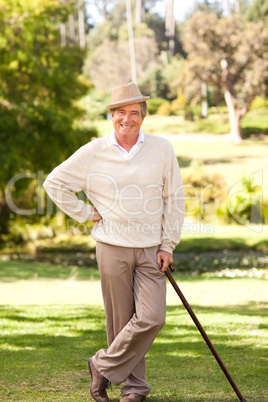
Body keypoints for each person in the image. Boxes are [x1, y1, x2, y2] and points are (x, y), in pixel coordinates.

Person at [43, 82, 185, 402]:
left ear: (143, 117)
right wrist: (85, 213)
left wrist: (168, 244)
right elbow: (55, 183)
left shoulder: (161, 149)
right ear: (111, 115)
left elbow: (173, 198)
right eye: (121, 111)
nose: (127, 118)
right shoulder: (93, 152)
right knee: (120, 323)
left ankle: (101, 365)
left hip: (151, 247)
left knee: (152, 318)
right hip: (111, 246)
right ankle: (134, 389)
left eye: (134, 112)